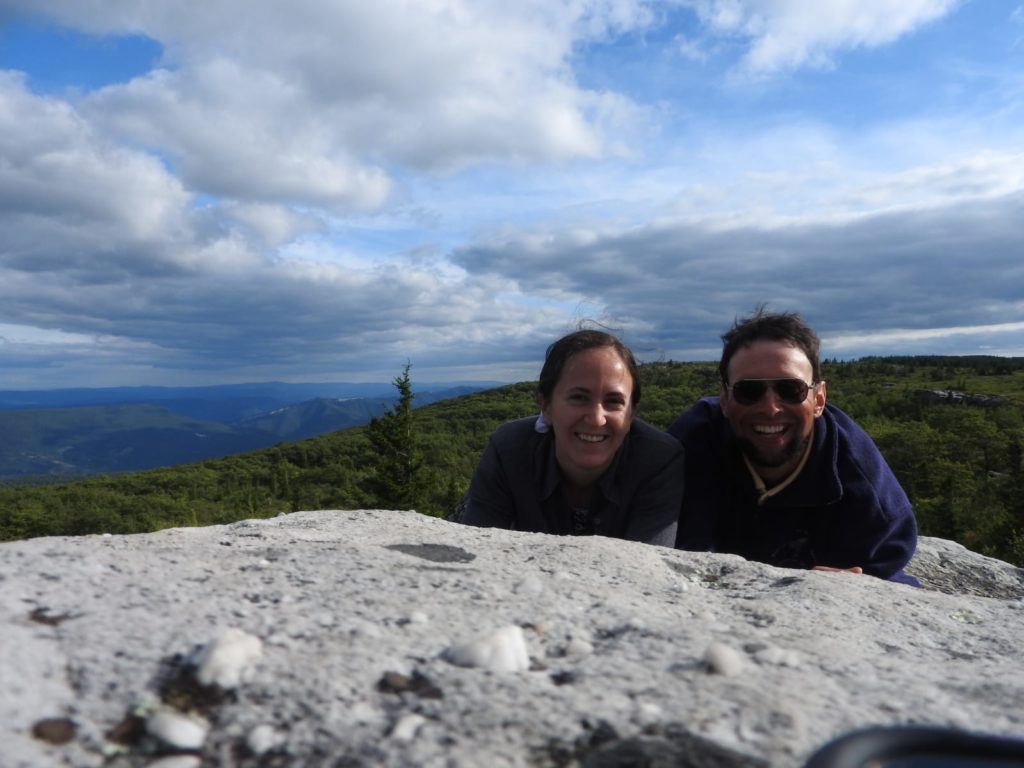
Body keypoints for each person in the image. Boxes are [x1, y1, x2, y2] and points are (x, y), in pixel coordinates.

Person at [669, 308, 919, 585]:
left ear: (819, 399)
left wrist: (857, 584)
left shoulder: (864, 493)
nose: (771, 408)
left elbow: (885, 581)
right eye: (749, 390)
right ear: (724, 399)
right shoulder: (693, 443)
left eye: (791, 389)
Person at [460, 329, 684, 547]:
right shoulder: (509, 450)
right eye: (579, 397)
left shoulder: (658, 460)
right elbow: (477, 549)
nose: (597, 419)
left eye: (614, 401)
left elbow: (646, 566)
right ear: (546, 406)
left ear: (631, 413)